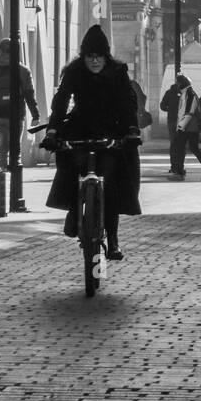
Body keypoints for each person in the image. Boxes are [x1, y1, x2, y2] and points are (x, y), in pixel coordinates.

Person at [43, 25, 141, 260]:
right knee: (70, 161)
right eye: (90, 56)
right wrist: (53, 129)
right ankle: (73, 208)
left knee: (112, 177)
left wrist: (131, 130)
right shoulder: (74, 71)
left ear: (106, 56)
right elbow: (61, 100)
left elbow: (128, 103)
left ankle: (114, 239)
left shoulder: (118, 72)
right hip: (81, 127)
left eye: (99, 56)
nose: (95, 61)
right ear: (84, 56)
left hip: (111, 129)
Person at [0, 39, 39, 171]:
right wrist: (35, 115)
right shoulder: (23, 71)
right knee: (15, 152)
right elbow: (29, 95)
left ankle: (3, 182)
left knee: (1, 154)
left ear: (0, 51)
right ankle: (14, 184)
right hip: (17, 117)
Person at [159, 72, 201, 181]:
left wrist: (180, 127)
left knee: (182, 148)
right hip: (188, 127)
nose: (177, 85)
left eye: (178, 83)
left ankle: (181, 173)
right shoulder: (187, 93)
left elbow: (188, 113)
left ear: (182, 84)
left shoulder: (190, 95)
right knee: (190, 148)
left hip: (189, 128)